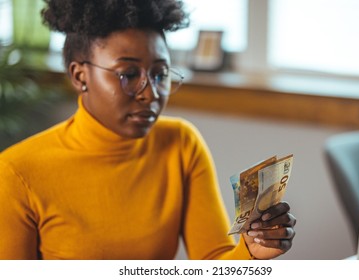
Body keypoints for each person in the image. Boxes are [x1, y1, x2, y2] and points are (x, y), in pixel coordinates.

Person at [0, 0, 296, 260]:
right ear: (80, 76)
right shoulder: (18, 173)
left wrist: (250, 251)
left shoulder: (181, 144)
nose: (151, 93)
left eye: (160, 74)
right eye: (128, 74)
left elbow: (213, 259)